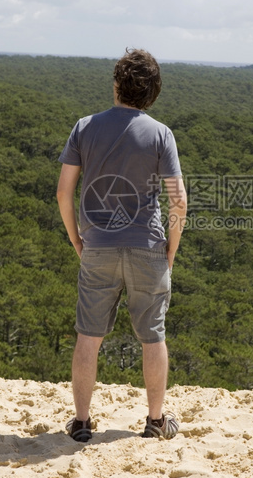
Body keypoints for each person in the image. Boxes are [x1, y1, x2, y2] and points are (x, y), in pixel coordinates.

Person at [57, 48, 187, 442]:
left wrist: (77, 239)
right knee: (153, 334)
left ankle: (81, 423)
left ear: (116, 85)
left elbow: (64, 193)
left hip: (97, 244)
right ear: (152, 93)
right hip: (148, 245)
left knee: (88, 336)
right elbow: (178, 201)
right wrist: (171, 250)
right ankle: (155, 421)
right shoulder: (161, 133)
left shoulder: (85, 126)